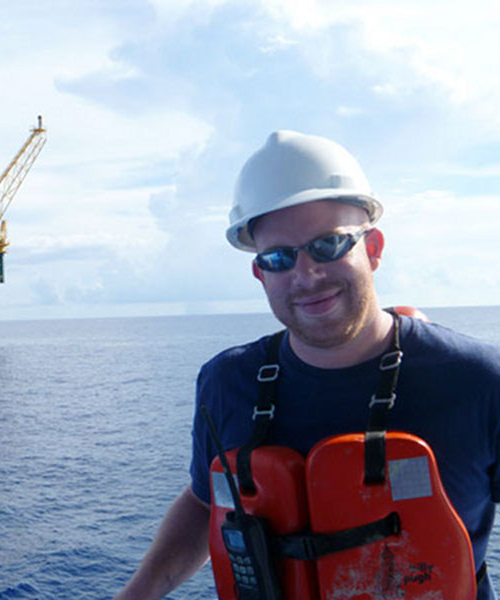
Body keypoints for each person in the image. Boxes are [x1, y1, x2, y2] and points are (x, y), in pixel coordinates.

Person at [114, 130, 500, 600]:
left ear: (373, 248)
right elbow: (203, 503)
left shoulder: (479, 381)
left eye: (329, 245)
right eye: (278, 257)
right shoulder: (226, 381)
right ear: (260, 273)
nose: (307, 275)